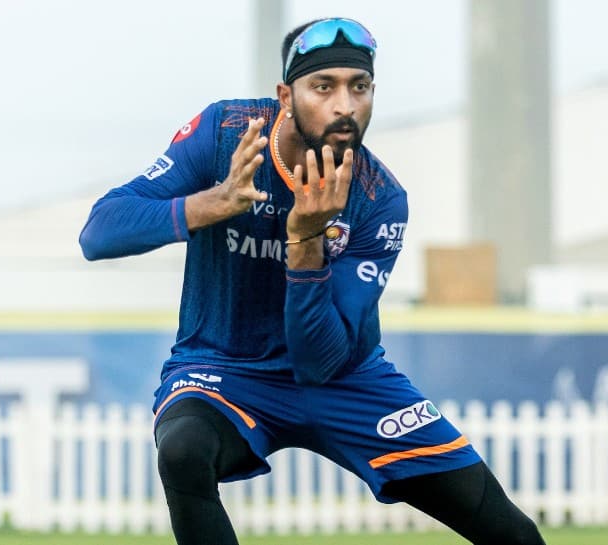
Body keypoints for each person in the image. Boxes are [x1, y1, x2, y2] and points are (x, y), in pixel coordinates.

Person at [79, 17, 545, 545]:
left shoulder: (379, 199)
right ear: (285, 94)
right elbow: (98, 233)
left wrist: (304, 241)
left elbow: (317, 361)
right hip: (222, 368)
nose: (345, 105)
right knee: (183, 452)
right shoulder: (224, 134)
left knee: (512, 532)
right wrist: (216, 202)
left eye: (360, 86)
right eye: (324, 86)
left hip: (346, 378)